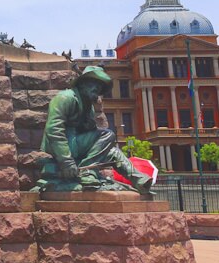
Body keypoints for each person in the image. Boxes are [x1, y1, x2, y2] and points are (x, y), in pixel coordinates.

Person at [39, 66, 154, 194]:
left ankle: (139, 180)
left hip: (78, 144)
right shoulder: (65, 98)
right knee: (108, 135)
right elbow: (53, 129)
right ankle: (86, 172)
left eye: (99, 89)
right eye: (94, 86)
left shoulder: (89, 107)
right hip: (64, 145)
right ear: (83, 84)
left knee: (113, 152)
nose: (97, 91)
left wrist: (89, 124)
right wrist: (66, 161)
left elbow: (91, 135)